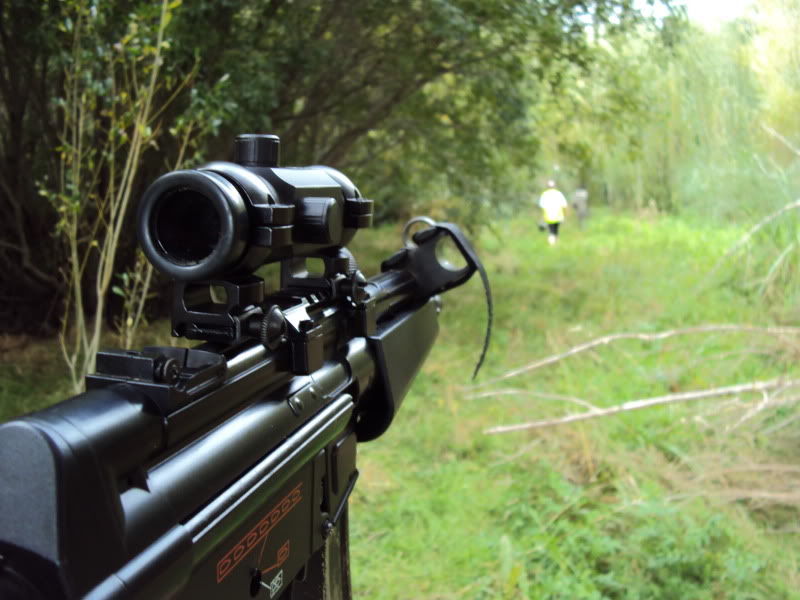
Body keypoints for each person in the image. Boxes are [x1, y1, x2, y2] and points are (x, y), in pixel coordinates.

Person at [538, 180, 568, 245]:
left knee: (551, 231)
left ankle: (552, 245)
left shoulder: (544, 194)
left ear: (548, 186)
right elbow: (565, 205)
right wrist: (565, 215)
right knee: (556, 230)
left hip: (548, 217)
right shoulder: (559, 193)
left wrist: (542, 216)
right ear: (554, 186)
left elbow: (541, 206)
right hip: (558, 216)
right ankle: (555, 244)